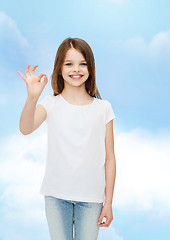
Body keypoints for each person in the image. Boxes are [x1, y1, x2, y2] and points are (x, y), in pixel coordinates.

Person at [18, 37, 116, 240]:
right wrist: (32, 98)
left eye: (82, 64)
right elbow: (26, 128)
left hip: (91, 199)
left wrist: (108, 202)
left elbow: (110, 158)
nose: (76, 69)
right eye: (69, 64)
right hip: (56, 195)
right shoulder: (50, 103)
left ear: (90, 68)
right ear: (59, 68)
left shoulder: (103, 108)